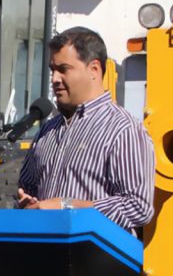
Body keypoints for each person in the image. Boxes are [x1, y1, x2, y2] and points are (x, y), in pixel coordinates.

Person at [17, 27, 155, 232]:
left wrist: (67, 206)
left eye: (63, 69)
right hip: (46, 247)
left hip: (95, 251)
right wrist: (28, 202)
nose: (54, 79)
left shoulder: (123, 129)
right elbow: (26, 187)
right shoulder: (48, 130)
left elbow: (138, 206)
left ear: (94, 70)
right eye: (52, 70)